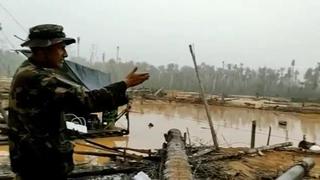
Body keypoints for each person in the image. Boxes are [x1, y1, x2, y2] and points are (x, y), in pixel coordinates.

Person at [8, 24, 149, 180]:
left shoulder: (30, 70)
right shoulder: (38, 78)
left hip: (35, 160)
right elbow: (86, 101)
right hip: (40, 165)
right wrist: (124, 84)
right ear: (42, 51)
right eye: (61, 48)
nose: (65, 54)